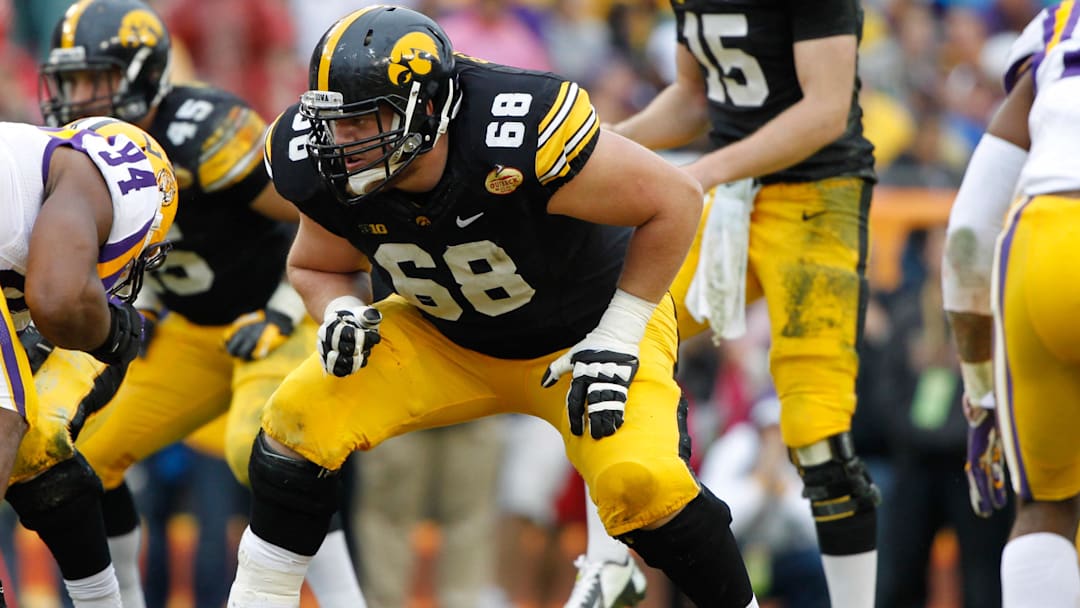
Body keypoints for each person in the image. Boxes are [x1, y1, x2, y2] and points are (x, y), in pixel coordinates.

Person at [231, 5, 758, 608]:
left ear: (428, 108)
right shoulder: (322, 161)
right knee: (297, 421)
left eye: (364, 120)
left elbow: (677, 197)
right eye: (334, 122)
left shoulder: (516, 126)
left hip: (585, 335)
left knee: (643, 484)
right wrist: (338, 312)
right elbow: (316, 265)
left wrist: (621, 330)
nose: (342, 140)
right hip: (442, 336)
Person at [35, 1, 366, 606]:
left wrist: (283, 307)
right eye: (68, 81)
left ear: (143, 74)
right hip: (187, 328)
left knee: (264, 449)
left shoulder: (205, 130)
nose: (77, 98)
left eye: (95, 79)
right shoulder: (79, 151)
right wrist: (150, 299)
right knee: (85, 451)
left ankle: (349, 603)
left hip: (270, 314)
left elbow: (322, 221)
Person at [608, 1, 880, 606]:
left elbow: (825, 110)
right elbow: (694, 97)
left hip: (818, 194)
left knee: (818, 431)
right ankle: (609, 564)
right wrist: (600, 145)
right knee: (616, 342)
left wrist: (699, 173)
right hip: (735, 196)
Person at [2, 115, 176, 607]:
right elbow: (56, 301)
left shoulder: (31, 181)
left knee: (37, 449)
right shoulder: (109, 176)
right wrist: (107, 333)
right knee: (10, 414)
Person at [943, 3, 1080, 604]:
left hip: (1043, 239)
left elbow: (970, 230)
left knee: (1045, 505)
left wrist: (980, 395)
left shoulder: (1060, 22)